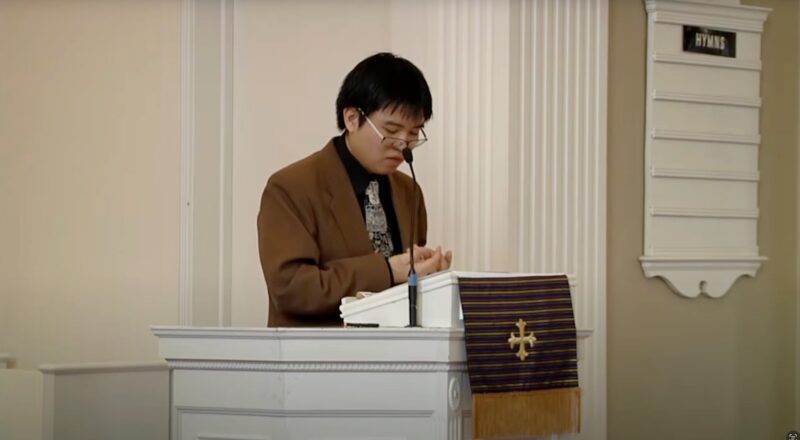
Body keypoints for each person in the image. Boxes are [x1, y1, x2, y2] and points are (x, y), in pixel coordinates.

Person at [258, 52, 453, 327]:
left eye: (413, 133)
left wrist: (430, 278)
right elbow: (290, 288)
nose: (403, 144)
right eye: (392, 129)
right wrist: (386, 271)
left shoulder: (409, 191)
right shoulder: (291, 187)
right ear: (351, 118)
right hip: (319, 360)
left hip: (400, 358)